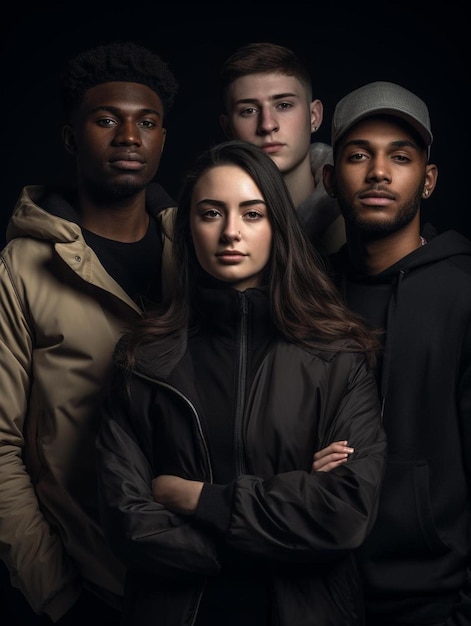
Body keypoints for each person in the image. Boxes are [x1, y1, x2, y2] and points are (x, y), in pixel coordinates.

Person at [95, 139, 387, 626]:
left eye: (252, 214)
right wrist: (284, 526)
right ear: (188, 228)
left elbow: (345, 511)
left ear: (278, 226)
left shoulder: (337, 354)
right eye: (211, 213)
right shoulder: (143, 360)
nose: (231, 232)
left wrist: (197, 500)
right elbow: (127, 520)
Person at [0, 41, 179, 625]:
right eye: (107, 120)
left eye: (146, 122)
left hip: (199, 580)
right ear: (72, 137)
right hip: (87, 586)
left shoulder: (202, 251)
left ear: (162, 139)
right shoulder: (23, 266)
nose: (129, 136)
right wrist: (57, 594)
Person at [319, 81, 471, 625]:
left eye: (400, 157)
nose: (378, 172)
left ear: (427, 180)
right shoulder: (308, 298)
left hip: (433, 602)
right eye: (358, 155)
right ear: (330, 177)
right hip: (314, 591)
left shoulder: (462, 294)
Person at [218, 41, 346, 256]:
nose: (267, 125)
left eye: (284, 105)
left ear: (314, 116)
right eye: (249, 110)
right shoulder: (209, 227)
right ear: (228, 129)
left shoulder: (355, 225)